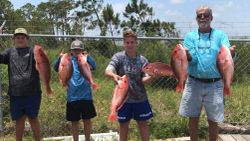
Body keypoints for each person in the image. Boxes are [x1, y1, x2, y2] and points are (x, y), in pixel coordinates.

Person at [178, 6, 236, 141]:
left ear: (211, 18)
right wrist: (188, 56)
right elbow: (192, 60)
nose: (202, 18)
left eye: (205, 15)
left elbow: (227, 56)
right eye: (199, 16)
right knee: (193, 117)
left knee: (213, 119)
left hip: (215, 84)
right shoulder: (190, 37)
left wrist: (232, 53)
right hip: (193, 82)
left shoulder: (221, 35)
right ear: (196, 18)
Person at [105, 28, 156, 141]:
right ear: (124, 43)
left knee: (143, 124)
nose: (130, 45)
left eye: (132, 42)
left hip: (140, 98)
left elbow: (144, 79)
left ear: (136, 43)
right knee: (123, 126)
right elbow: (108, 70)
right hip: (123, 100)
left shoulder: (142, 60)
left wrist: (153, 77)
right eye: (127, 42)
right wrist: (113, 75)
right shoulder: (118, 57)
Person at [0, 28, 43, 141]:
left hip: (33, 93)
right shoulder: (9, 52)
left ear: (27, 39)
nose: (20, 39)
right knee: (19, 120)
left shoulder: (33, 51)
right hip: (15, 93)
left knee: (33, 119)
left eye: (22, 37)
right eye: (18, 37)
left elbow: (42, 61)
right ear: (14, 39)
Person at [54, 40, 97, 141]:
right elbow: (56, 68)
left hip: (86, 96)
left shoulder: (85, 59)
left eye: (79, 49)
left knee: (87, 120)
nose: (77, 51)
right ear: (71, 51)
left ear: (83, 50)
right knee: (74, 121)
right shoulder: (68, 60)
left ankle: (87, 139)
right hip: (72, 97)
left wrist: (88, 56)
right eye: (75, 50)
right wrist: (60, 57)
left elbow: (94, 66)